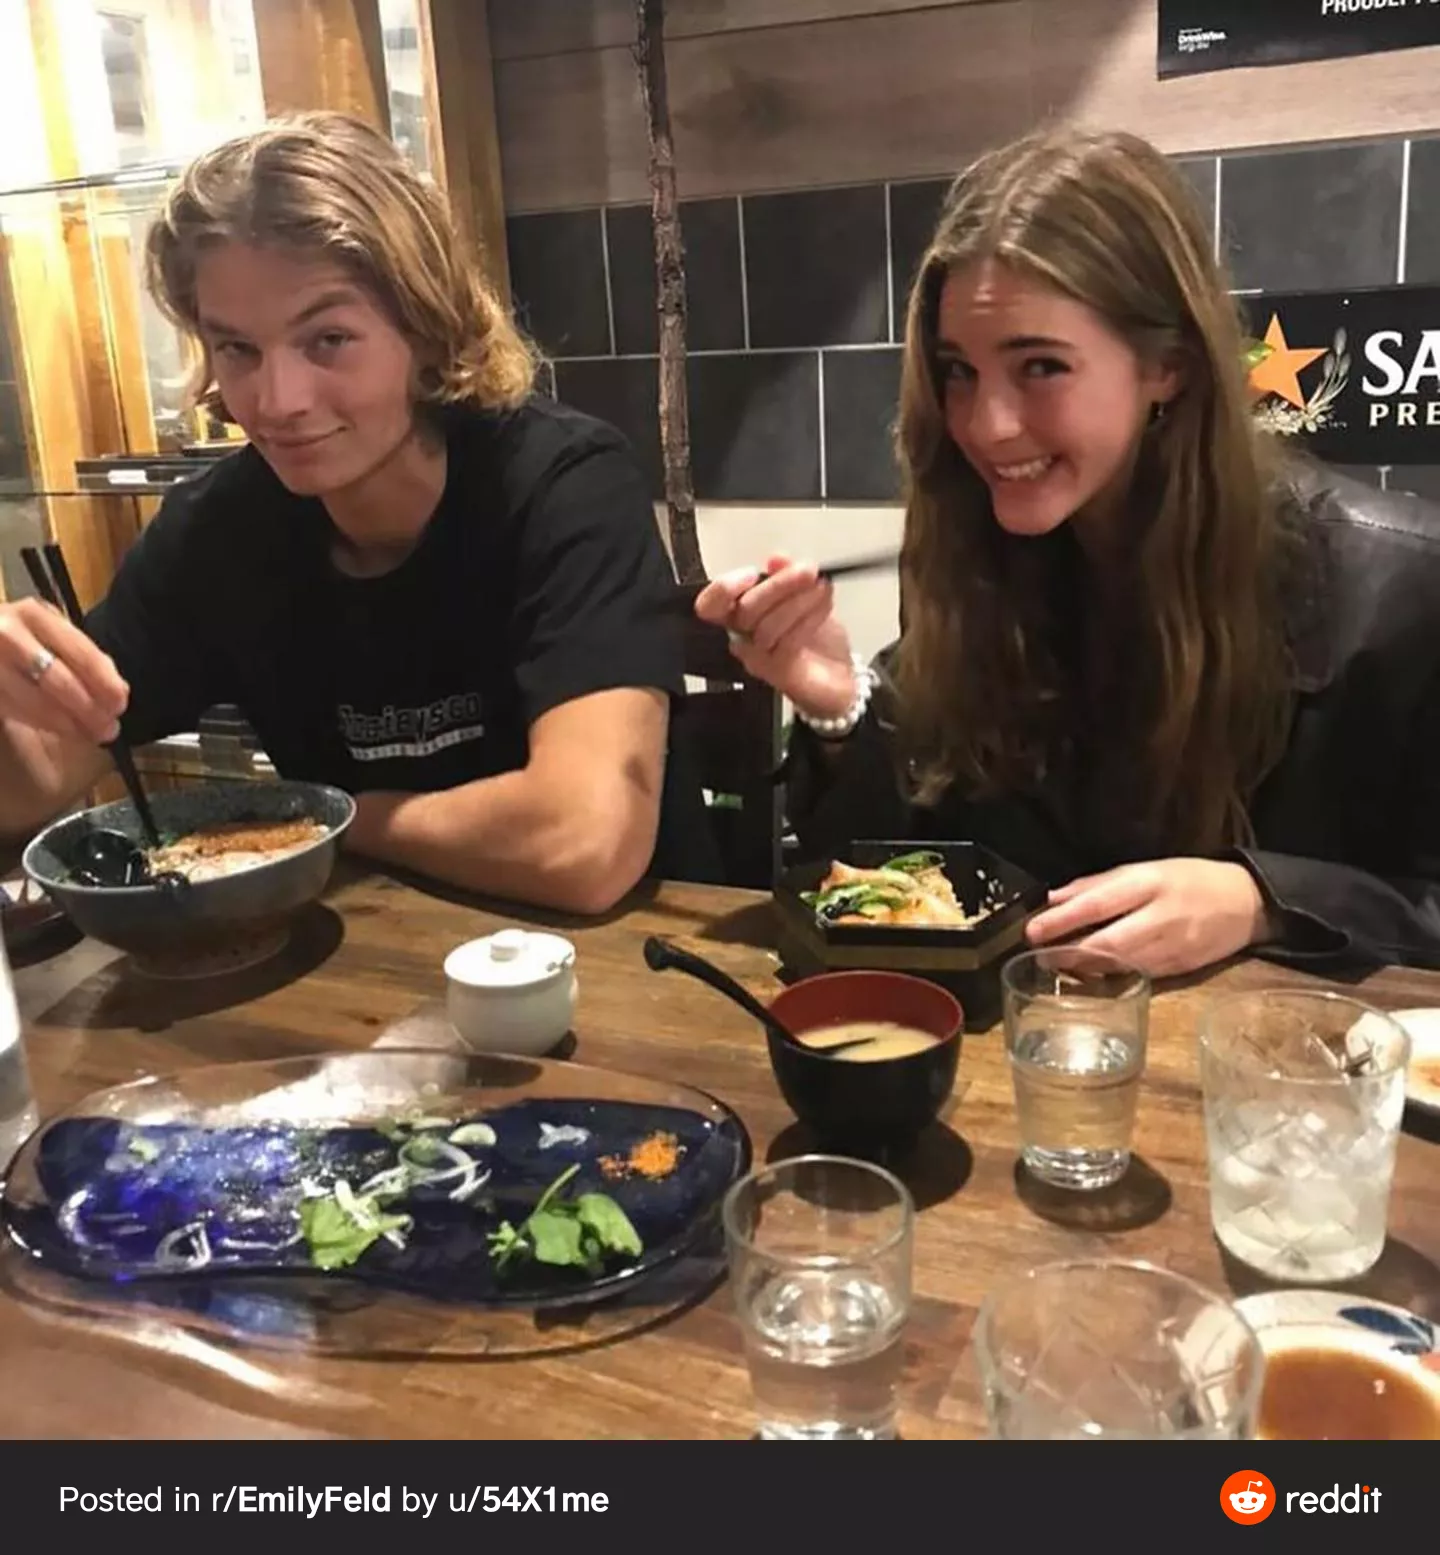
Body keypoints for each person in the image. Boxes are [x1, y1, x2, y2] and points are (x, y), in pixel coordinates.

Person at [698, 128, 1440, 977]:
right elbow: (913, 885)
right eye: (959, 370)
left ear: (1169, 366)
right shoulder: (981, 565)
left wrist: (1263, 901)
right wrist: (840, 711)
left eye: (1041, 367)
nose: (986, 425)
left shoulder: (1401, 591)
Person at [0, 112, 711, 914]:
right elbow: (36, 779)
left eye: (328, 339)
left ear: (425, 325)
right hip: (366, 961)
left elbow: (582, 845)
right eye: (237, 349)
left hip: (623, 967)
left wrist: (326, 819)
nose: (278, 401)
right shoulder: (217, 533)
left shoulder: (562, 484)